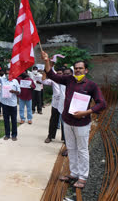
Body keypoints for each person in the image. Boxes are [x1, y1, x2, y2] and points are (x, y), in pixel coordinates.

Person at [42, 51, 106, 189]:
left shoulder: (91, 85)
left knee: (82, 149)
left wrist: (86, 112)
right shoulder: (69, 79)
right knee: (71, 148)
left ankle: (83, 177)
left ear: (86, 70)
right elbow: (52, 75)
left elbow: (102, 103)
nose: (78, 70)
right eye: (76, 68)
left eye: (80, 68)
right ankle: (74, 173)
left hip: (82, 123)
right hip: (67, 121)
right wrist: (47, 61)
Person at [0, 63, 21, 141]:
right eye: (7, 73)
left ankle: (14, 135)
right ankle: (7, 134)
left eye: (9, 73)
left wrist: (14, 91)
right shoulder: (2, 79)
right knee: (6, 119)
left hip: (13, 103)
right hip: (4, 103)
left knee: (13, 120)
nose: (8, 74)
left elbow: (19, 92)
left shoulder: (15, 81)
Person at [42, 68, 64, 143]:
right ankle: (50, 136)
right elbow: (44, 81)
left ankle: (65, 139)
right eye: (57, 73)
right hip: (55, 104)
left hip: (64, 105)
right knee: (53, 121)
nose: (58, 75)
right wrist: (45, 71)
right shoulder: (53, 81)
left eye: (60, 73)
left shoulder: (67, 81)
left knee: (64, 122)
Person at [60, 67, 74, 157]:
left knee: (73, 131)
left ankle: (72, 149)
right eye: (64, 74)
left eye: (68, 74)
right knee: (66, 132)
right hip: (62, 110)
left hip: (73, 112)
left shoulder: (76, 84)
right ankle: (68, 148)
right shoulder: (61, 83)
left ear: (72, 74)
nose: (66, 76)